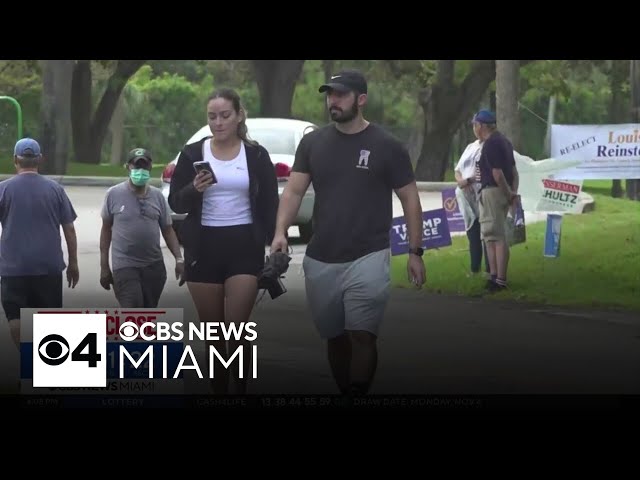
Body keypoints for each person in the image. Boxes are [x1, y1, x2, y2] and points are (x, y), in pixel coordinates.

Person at [270, 69, 426, 396]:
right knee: (336, 338)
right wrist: (280, 231)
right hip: (321, 257)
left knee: (363, 335)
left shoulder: (387, 145)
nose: (333, 101)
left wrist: (415, 251)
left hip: (369, 254)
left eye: (340, 94)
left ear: (361, 99)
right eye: (330, 94)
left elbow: (410, 198)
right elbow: (294, 192)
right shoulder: (313, 143)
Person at [168, 87, 279, 395]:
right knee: (214, 335)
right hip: (203, 246)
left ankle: (239, 388)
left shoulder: (255, 154)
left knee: (237, 329)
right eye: (212, 116)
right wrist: (194, 189)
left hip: (244, 244)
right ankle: (220, 391)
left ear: (239, 116)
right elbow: (176, 202)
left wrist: (274, 241)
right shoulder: (192, 153)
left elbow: (270, 202)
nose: (218, 122)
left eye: (225, 116)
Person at [0, 138, 79, 350]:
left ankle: (27, 356)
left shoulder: (3, 190)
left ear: (15, 159)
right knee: (49, 321)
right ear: (40, 160)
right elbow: (69, 229)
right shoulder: (55, 190)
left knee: (15, 318)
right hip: (48, 268)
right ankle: (41, 364)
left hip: (13, 268)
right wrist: (73, 263)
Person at [100, 148, 184, 308]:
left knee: (148, 312)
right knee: (132, 306)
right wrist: (104, 266)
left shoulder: (157, 196)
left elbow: (167, 229)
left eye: (144, 167)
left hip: (154, 267)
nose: (140, 171)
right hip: (125, 266)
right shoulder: (113, 194)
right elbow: (106, 230)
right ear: (128, 167)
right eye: (136, 166)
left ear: (150, 167)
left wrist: (179, 259)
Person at [474, 109, 519, 291]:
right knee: (490, 236)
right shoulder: (505, 142)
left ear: (482, 126)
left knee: (496, 235)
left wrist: (509, 195)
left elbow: (497, 174)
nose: (474, 129)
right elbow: (514, 172)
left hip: (493, 191)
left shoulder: (491, 144)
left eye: (475, 125)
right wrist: (512, 193)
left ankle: (499, 279)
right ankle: (493, 276)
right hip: (502, 191)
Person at [454, 137, 489, 276]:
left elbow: (483, 173)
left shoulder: (489, 146)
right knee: (472, 231)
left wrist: (469, 180)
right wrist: (462, 181)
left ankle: (490, 269)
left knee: (487, 232)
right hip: (465, 197)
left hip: (482, 194)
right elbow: (457, 170)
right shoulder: (470, 147)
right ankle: (475, 269)